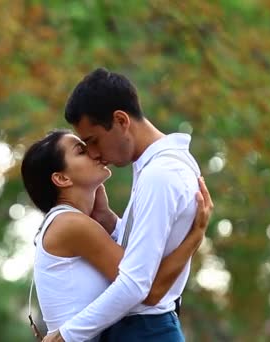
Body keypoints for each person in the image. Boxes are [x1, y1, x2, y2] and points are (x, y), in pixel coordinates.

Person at [41, 68, 211, 342]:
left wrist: (64, 336)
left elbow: (136, 283)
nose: (94, 153)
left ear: (121, 120)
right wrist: (110, 221)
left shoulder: (160, 175)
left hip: (146, 330)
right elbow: (143, 254)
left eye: (93, 141)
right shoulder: (152, 168)